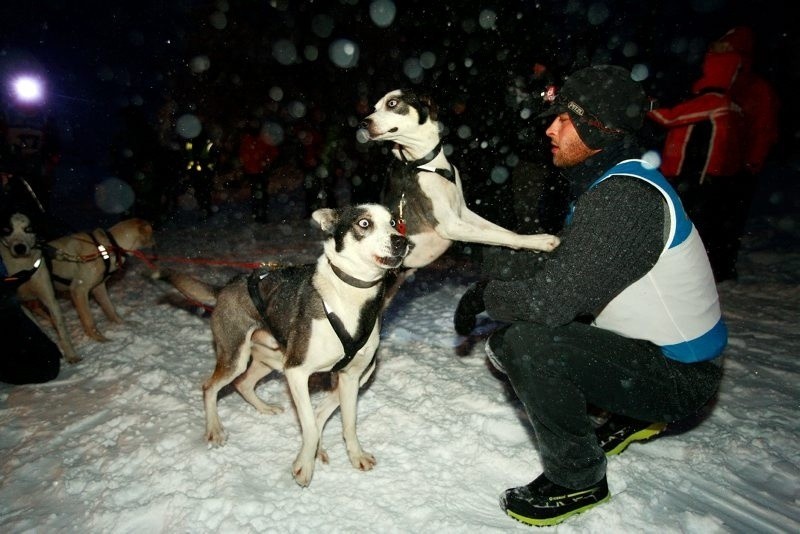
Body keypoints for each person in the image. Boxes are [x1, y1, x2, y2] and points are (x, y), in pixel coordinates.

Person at [455, 65, 727, 526]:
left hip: (681, 376)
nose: (550, 127)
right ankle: (629, 406)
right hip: (658, 352)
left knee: (522, 344)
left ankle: (577, 478)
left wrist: (486, 295)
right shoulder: (617, 180)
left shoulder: (624, 198)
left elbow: (551, 301)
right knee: (544, 321)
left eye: (563, 118)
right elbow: (567, 266)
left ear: (594, 126)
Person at [648, 50, 747, 282]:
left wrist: (643, 105)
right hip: (718, 177)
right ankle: (716, 270)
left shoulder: (712, 101)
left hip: (695, 177)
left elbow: (670, 118)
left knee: (688, 226)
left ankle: (687, 273)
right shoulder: (734, 105)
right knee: (713, 228)